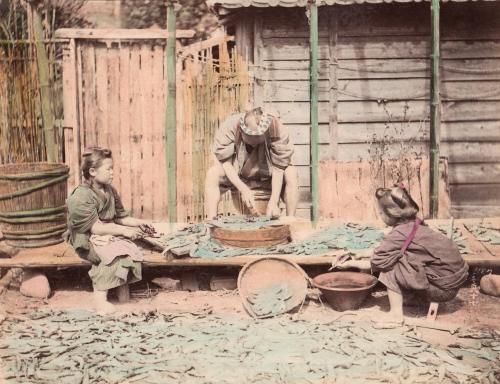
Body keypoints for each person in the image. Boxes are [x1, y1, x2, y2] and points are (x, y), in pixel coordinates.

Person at [340, 185, 468, 323]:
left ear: (392, 213)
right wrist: (360, 253)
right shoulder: (415, 223)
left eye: (381, 213)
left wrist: (349, 264)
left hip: (442, 290)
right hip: (453, 283)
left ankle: (395, 315)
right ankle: (414, 298)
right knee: (401, 257)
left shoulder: (399, 233)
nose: (380, 216)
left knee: (391, 265)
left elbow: (377, 262)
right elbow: (391, 248)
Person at [66, 147, 154, 312]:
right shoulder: (81, 196)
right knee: (111, 255)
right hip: (86, 238)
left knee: (130, 251)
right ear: (92, 171)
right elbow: (95, 227)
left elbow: (120, 217)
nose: (113, 172)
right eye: (108, 169)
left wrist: (139, 223)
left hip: (107, 233)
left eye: (112, 168)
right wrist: (124, 231)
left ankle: (120, 292)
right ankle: (99, 299)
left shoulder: (110, 191)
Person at [205, 107, 298, 219]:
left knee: (291, 172)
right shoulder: (230, 126)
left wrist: (273, 201)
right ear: (242, 130)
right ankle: (211, 220)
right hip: (239, 175)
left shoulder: (276, 128)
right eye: (250, 137)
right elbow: (226, 163)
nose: (254, 141)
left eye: (258, 138)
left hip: (269, 177)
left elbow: (279, 167)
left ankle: (291, 220)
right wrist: (243, 189)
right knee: (212, 173)